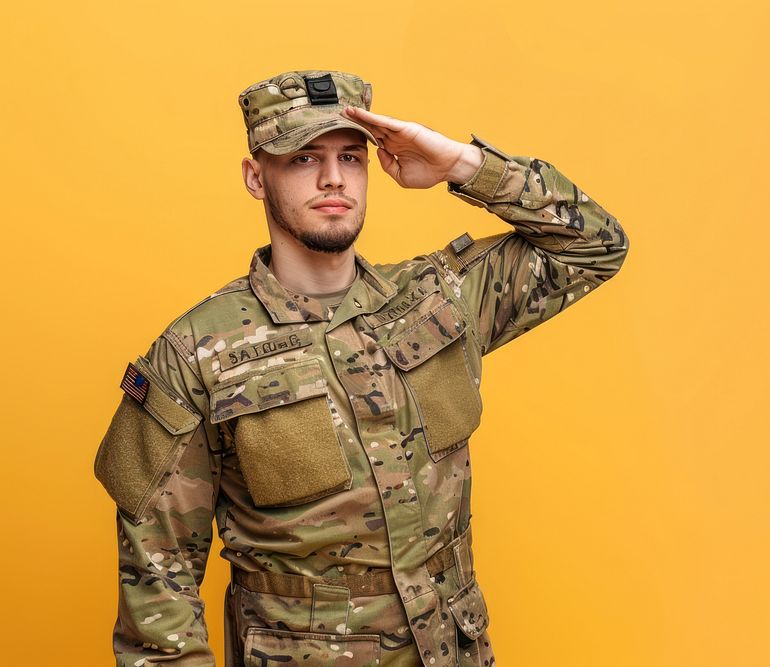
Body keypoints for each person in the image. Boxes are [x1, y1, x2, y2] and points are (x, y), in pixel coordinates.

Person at [94, 69, 629, 667]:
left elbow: (596, 246)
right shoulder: (195, 354)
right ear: (255, 177)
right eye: (303, 159)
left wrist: (460, 164)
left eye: (352, 157)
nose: (333, 178)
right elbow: (158, 589)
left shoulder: (437, 299)